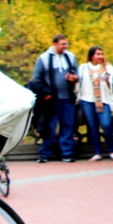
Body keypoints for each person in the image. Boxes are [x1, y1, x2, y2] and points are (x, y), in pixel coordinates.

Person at [32, 34, 79, 163]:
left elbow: (77, 73)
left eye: (66, 44)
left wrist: (74, 78)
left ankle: (67, 153)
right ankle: (44, 154)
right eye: (62, 44)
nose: (65, 46)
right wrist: (44, 93)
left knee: (68, 126)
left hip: (67, 97)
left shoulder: (70, 57)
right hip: (51, 100)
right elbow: (36, 79)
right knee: (49, 127)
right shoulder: (44, 58)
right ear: (55, 44)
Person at [78, 46, 113, 162]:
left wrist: (107, 81)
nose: (100, 56)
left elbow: (112, 83)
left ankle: (112, 150)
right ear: (91, 56)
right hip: (87, 100)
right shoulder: (83, 68)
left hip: (103, 101)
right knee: (92, 126)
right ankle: (97, 152)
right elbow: (79, 82)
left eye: (101, 54)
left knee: (106, 125)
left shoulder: (108, 68)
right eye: (98, 54)